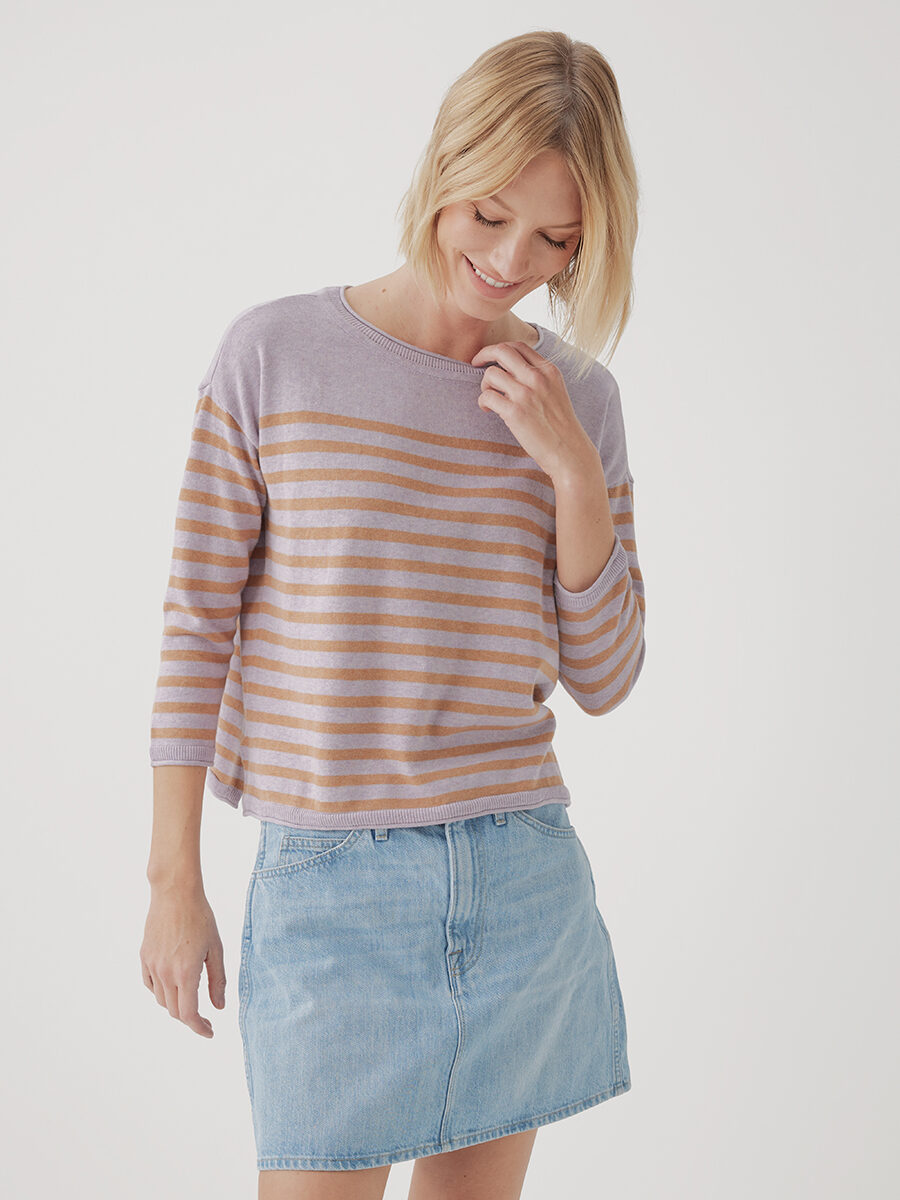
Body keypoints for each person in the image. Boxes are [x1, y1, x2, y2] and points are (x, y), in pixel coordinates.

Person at [141, 28, 645, 1200]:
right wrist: (174, 878)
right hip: (328, 886)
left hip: (519, 874)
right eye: (488, 215)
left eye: (556, 239)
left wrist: (573, 477)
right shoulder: (275, 357)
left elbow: (610, 678)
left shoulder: (583, 403)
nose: (514, 259)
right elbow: (195, 626)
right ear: (441, 165)